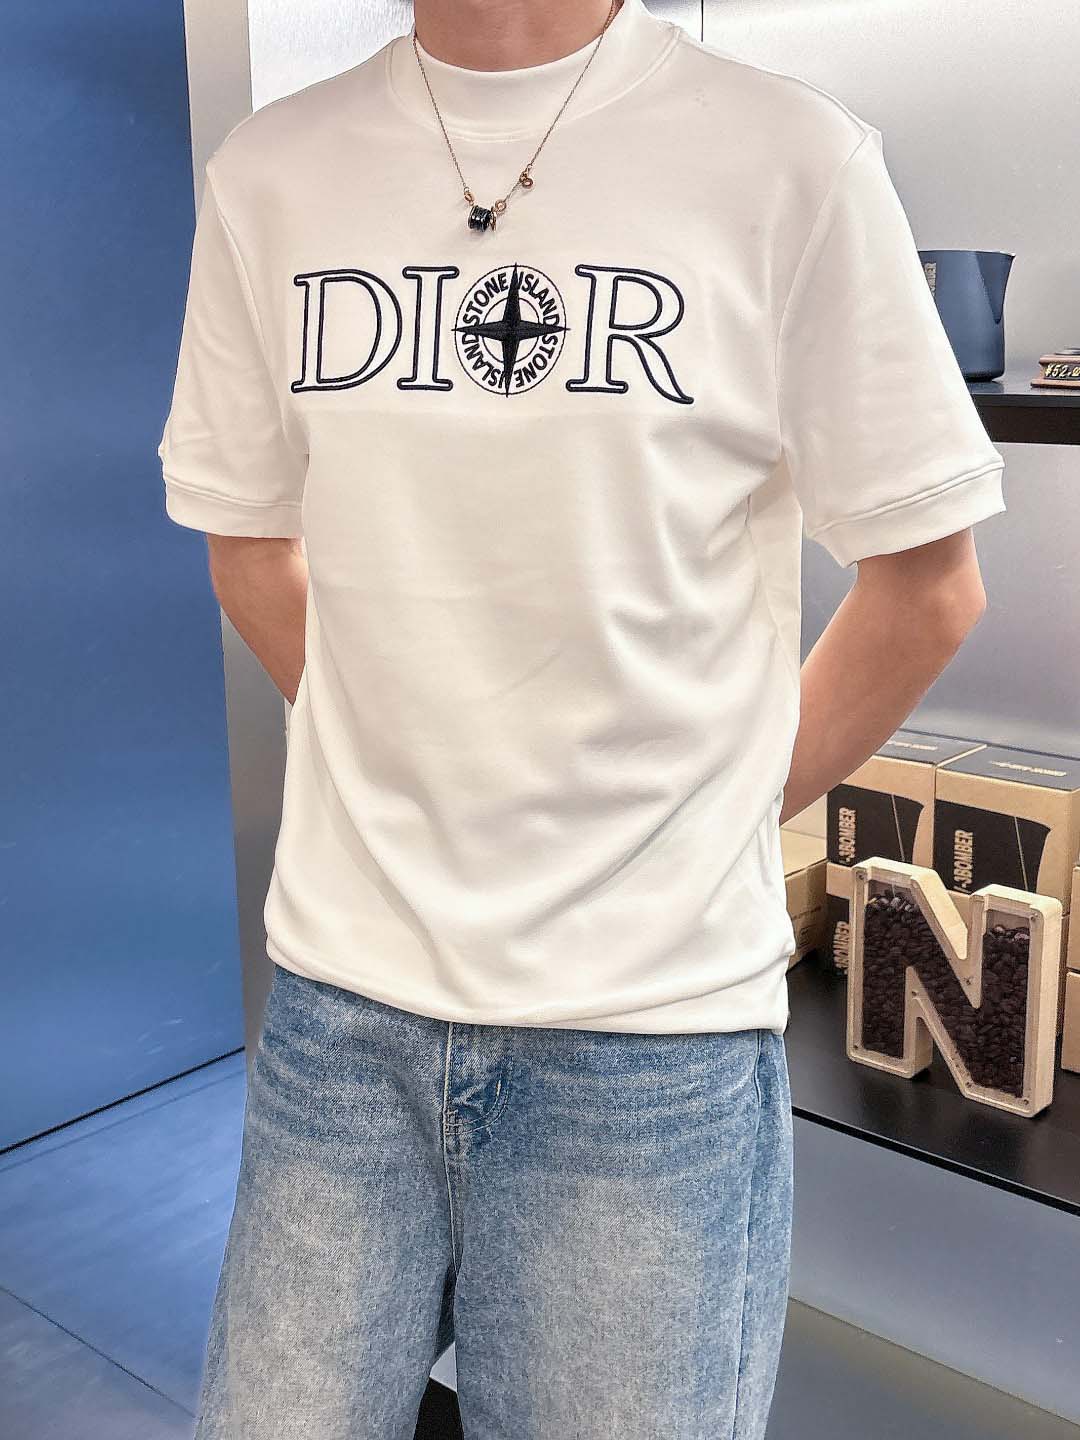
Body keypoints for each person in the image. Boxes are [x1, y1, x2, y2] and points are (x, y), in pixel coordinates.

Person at [157, 0, 1006, 1434]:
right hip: (340, 1013)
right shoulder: (271, 172)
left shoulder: (792, 160)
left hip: (649, 1036)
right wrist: (405, 738)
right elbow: (249, 539)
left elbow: (927, 586)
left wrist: (711, 811)